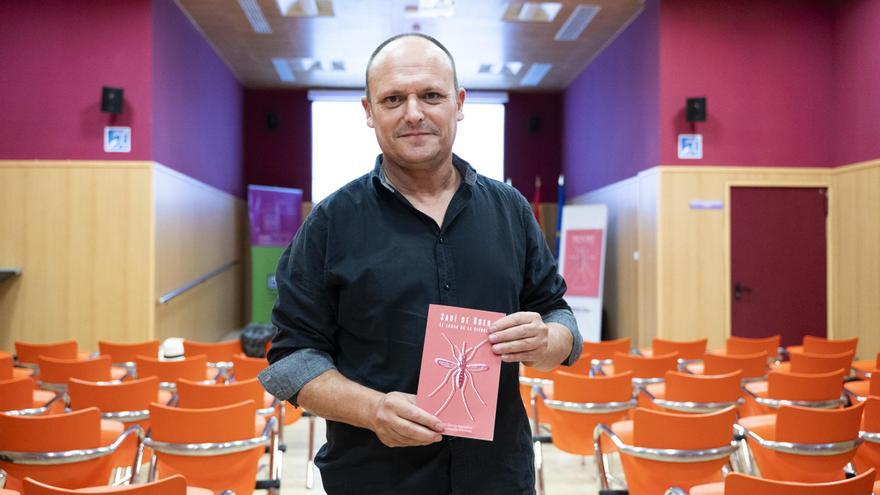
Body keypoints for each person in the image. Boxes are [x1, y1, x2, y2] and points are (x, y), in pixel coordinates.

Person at [259, 33, 581, 495]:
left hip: (499, 477)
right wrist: (372, 409)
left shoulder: (511, 209)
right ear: (369, 111)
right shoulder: (330, 223)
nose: (414, 113)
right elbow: (292, 358)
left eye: (431, 95)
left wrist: (549, 339)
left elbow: (559, 312)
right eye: (393, 99)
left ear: (459, 103)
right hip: (375, 478)